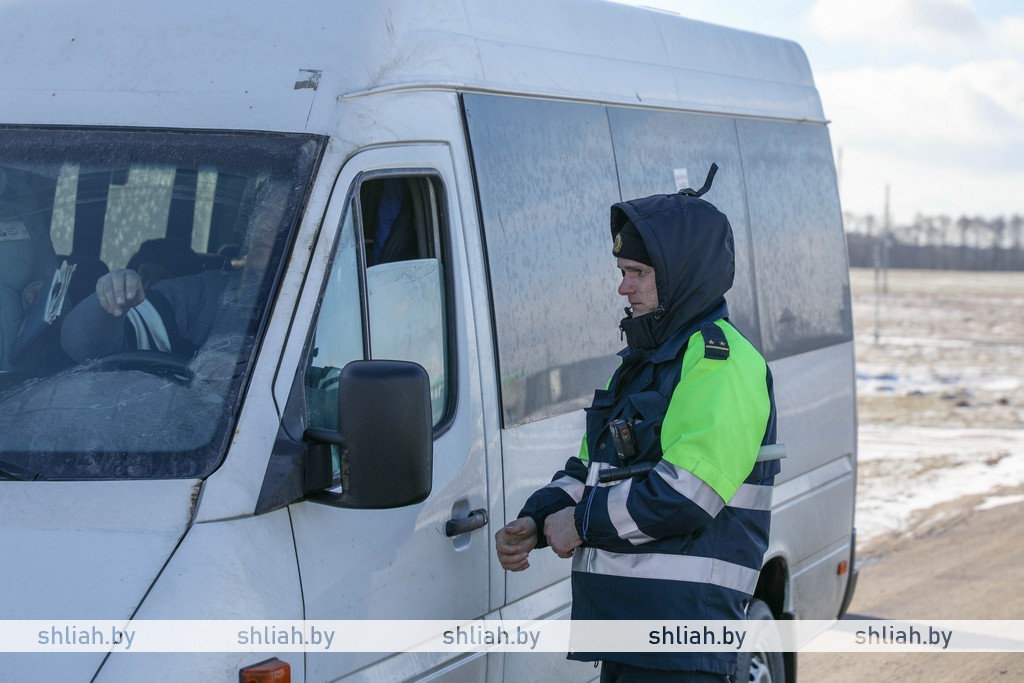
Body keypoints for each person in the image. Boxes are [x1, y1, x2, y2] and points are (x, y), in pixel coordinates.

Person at [495, 168, 779, 682]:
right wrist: (539, 519)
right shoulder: (645, 361)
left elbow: (687, 494)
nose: (622, 286)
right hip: (635, 634)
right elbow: (590, 470)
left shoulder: (720, 362)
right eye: (623, 270)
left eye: (638, 273)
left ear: (680, 275)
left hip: (681, 640)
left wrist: (580, 524)